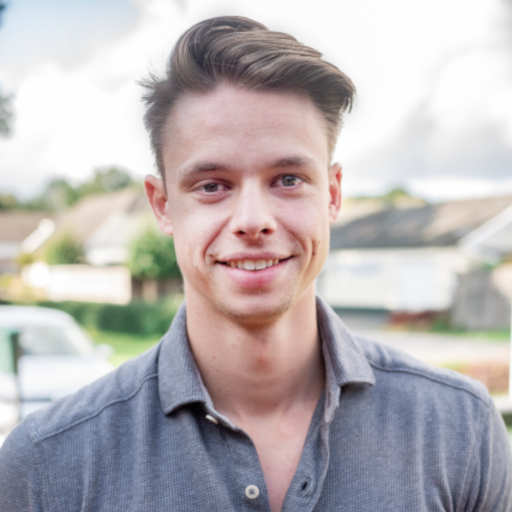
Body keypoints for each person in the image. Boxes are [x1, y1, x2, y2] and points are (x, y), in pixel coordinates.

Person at [1, 15, 511, 512]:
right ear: (162, 205)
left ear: (333, 194)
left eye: (288, 179)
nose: (252, 221)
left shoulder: (460, 429)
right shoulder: (47, 465)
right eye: (212, 186)